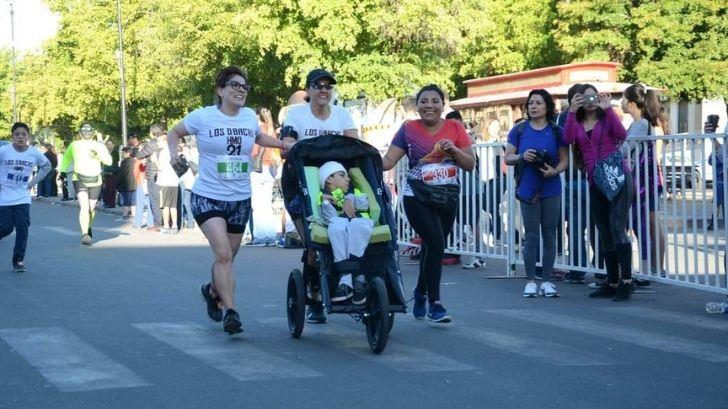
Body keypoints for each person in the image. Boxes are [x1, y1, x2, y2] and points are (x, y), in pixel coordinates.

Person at [167, 66, 292, 335]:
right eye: (234, 85)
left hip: (239, 199)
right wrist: (172, 154)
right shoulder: (203, 116)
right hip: (208, 196)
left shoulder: (249, 117)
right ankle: (230, 311)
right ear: (220, 90)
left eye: (244, 86)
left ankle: (212, 290)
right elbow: (173, 133)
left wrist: (282, 144)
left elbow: (258, 137)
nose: (240, 90)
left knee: (228, 258)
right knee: (223, 254)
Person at [382, 84, 475, 323]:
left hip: (447, 197)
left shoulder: (455, 127)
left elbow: (469, 164)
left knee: (432, 247)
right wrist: (361, 157)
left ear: (443, 105)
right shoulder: (408, 129)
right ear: (418, 105)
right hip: (417, 196)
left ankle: (420, 292)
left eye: (435, 101)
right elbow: (388, 162)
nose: (429, 106)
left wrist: (453, 150)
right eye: (424, 101)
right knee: (435, 243)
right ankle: (435, 302)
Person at [280, 68, 358, 324]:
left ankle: (350, 281)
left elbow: (354, 145)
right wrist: (290, 144)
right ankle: (313, 297)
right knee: (314, 243)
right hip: (302, 183)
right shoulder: (297, 114)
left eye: (328, 86)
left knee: (344, 230)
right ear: (309, 90)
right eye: (318, 85)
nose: (324, 90)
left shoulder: (342, 114)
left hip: (336, 183)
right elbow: (288, 139)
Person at [564, 84, 634, 301]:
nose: (590, 101)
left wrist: (609, 109)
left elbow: (621, 134)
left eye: (592, 97)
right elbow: (566, 139)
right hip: (595, 180)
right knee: (603, 230)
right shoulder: (576, 122)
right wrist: (571, 111)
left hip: (617, 176)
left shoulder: (606, 118)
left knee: (617, 227)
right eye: (584, 98)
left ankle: (627, 281)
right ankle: (611, 281)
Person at [504, 89, 568, 297]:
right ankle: (530, 280)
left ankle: (547, 281)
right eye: (531, 103)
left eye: (539, 103)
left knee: (550, 235)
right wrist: (523, 156)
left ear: (547, 106)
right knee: (530, 236)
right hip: (528, 188)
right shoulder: (519, 130)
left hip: (551, 187)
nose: (533, 106)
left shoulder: (557, 131)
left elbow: (564, 159)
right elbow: (508, 157)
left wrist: (555, 171)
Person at [622, 84, 667, 278]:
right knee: (649, 223)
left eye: (624, 99)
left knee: (650, 224)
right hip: (644, 179)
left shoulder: (641, 124)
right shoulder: (638, 123)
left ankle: (655, 267)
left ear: (632, 103)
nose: (621, 102)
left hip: (644, 181)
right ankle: (655, 267)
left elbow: (627, 148)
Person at [317, 161, 372, 305]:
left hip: (360, 223)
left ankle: (354, 278)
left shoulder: (354, 193)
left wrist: (349, 198)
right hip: (339, 224)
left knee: (355, 225)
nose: (348, 179)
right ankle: (347, 280)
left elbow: (366, 203)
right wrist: (326, 202)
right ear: (329, 179)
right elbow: (328, 218)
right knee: (336, 226)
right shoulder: (321, 197)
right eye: (342, 175)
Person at [0, 123, 51, 272]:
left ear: (28, 137)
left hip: (22, 196)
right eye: (17, 134)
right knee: (7, 227)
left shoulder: (34, 153)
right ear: (12, 137)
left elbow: (46, 166)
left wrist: (33, 182)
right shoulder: (4, 151)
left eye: (23, 134)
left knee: (22, 227)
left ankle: (18, 259)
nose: (20, 137)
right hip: (4, 196)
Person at [59, 123, 113, 246]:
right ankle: (85, 234)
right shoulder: (74, 145)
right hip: (79, 178)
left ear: (93, 132)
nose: (87, 132)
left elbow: (109, 162)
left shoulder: (98, 146)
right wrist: (62, 170)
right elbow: (67, 157)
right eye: (84, 129)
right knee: (84, 206)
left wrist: (99, 152)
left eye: (89, 129)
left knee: (91, 208)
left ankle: (88, 227)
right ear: (80, 132)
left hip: (96, 179)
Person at [135, 125, 165, 231]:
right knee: (166, 200)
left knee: (154, 199)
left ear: (152, 133)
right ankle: (169, 222)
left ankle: (158, 223)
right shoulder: (167, 141)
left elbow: (139, 155)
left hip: (153, 173)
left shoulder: (152, 143)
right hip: (167, 173)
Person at [156, 133, 180, 233]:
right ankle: (174, 226)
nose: (157, 143)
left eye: (158, 141)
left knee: (165, 205)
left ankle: (166, 226)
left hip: (165, 181)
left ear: (164, 141)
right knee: (173, 205)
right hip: (174, 181)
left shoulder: (163, 152)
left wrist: (154, 161)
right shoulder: (174, 151)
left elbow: (160, 167)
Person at [115, 147, 137, 220]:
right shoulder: (135, 161)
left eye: (124, 153)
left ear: (128, 153)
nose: (123, 154)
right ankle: (134, 215)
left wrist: (117, 184)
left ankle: (125, 215)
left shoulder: (124, 162)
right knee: (133, 200)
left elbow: (121, 173)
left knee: (126, 200)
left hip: (125, 183)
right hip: (134, 183)